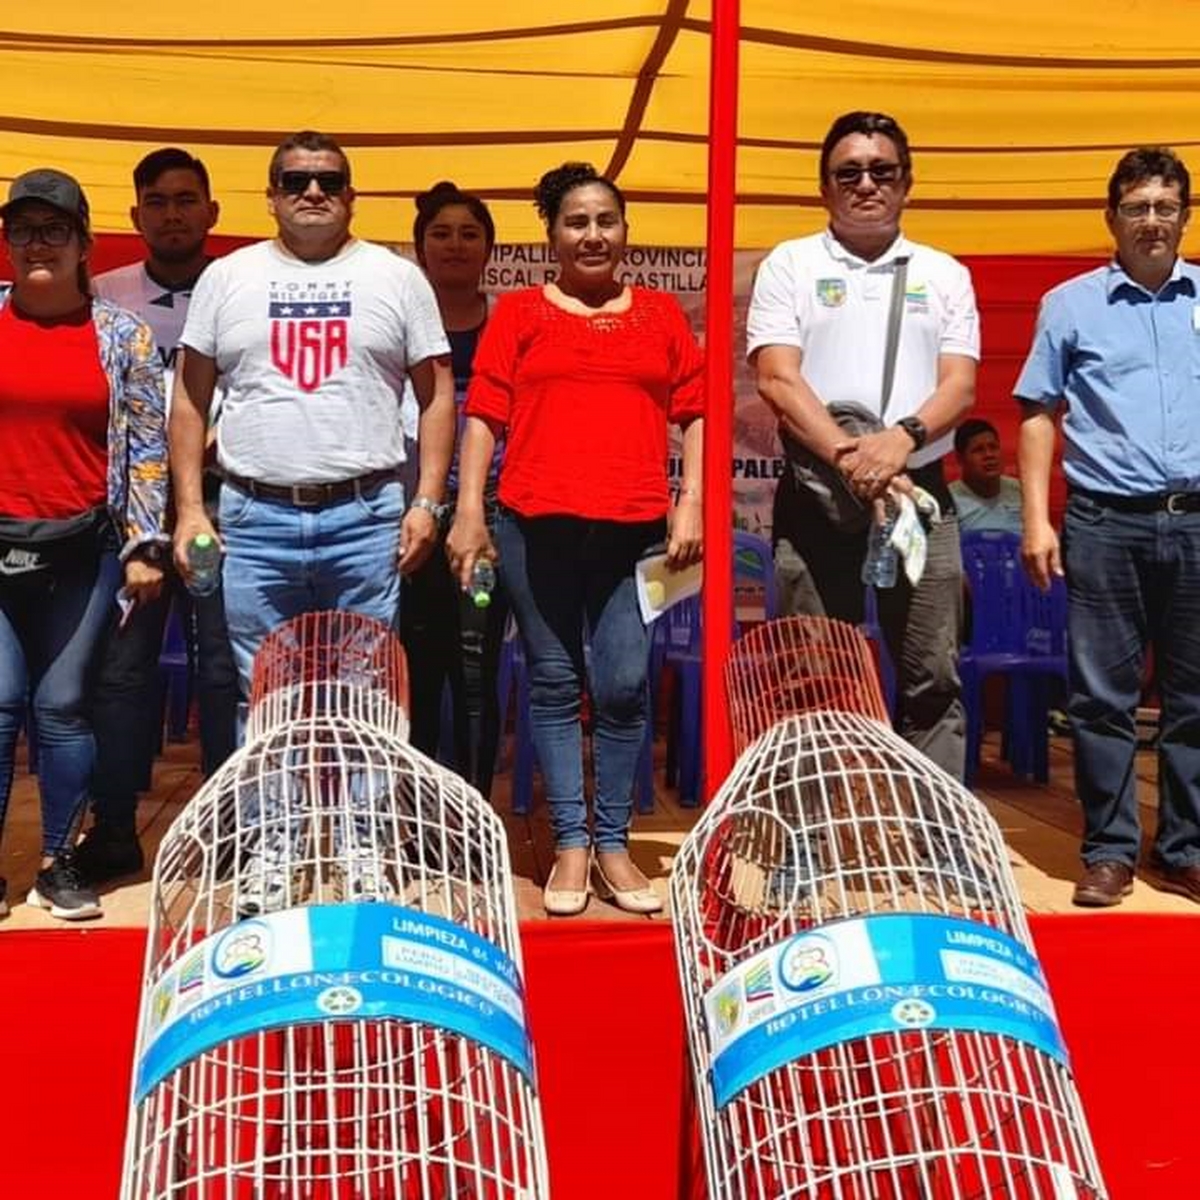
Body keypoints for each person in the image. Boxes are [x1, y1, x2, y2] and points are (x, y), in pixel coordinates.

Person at [448, 162, 704, 916]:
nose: (593, 234)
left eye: (606, 221)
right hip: (535, 525)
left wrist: (690, 502)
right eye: (577, 222)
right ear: (552, 236)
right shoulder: (520, 314)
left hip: (636, 533)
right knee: (555, 683)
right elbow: (483, 415)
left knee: (623, 685)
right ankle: (569, 842)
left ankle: (613, 842)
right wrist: (469, 510)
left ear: (625, 231)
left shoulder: (659, 315)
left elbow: (695, 410)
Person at [170, 130, 455, 703]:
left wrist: (427, 502)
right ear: (271, 197)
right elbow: (189, 398)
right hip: (254, 518)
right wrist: (190, 510)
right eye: (296, 181)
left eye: (329, 180)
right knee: (266, 696)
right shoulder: (227, 277)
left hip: (365, 517)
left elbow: (438, 394)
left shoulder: (398, 277)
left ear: (352, 196)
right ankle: (276, 772)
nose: (314, 191)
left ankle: (351, 772)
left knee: (363, 699)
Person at [748, 110, 979, 780]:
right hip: (819, 497)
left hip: (919, 496)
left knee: (933, 675)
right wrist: (854, 460)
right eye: (848, 173)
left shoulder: (944, 273)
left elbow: (960, 385)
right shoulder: (791, 263)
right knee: (815, 674)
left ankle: (934, 825)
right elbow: (777, 378)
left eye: (882, 170)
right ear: (824, 187)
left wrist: (901, 441)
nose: (867, 184)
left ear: (907, 182)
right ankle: (818, 825)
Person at [1015, 146, 1200, 908]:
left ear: (1184, 217)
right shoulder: (1069, 305)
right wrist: (1036, 520)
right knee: (1100, 697)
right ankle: (1110, 851)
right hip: (1103, 523)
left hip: (1196, 522)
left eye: (1165, 207)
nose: (1151, 220)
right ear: (1111, 218)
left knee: (1194, 696)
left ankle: (1185, 849)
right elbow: (1036, 412)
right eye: (1137, 207)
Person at [0, 168, 168, 919]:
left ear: (83, 242)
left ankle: (58, 862)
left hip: (85, 546)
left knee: (63, 704)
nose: (37, 245)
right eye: (23, 230)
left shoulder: (123, 335)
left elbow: (148, 447)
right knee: (0, 702)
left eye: (54, 230)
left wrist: (145, 543)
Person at [75, 147, 237, 886]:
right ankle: (113, 826)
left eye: (186, 199)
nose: (173, 214)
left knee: (223, 668)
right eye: (158, 202)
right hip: (132, 508)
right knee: (121, 669)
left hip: (223, 500)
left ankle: (230, 828)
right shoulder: (103, 293)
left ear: (212, 211)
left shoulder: (242, 285)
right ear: (136, 215)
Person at [400, 181, 509, 798]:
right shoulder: (401, 325)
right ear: (420, 249)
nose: (455, 245)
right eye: (440, 234)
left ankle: (474, 810)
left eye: (470, 234)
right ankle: (418, 810)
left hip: (490, 521)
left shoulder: (508, 324)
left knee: (475, 671)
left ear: (489, 248)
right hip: (413, 515)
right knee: (418, 669)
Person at [949, 418, 1023, 535]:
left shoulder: (1022, 492)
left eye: (993, 447)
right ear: (960, 459)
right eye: (978, 450)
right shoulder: (948, 501)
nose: (989, 455)